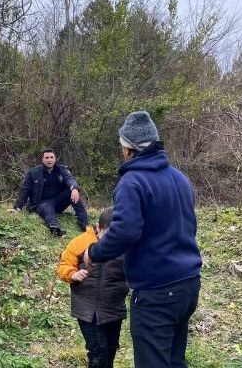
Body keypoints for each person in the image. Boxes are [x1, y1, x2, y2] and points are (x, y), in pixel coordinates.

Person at [84, 111, 203, 368]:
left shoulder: (132, 182)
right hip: (188, 285)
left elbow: (124, 231)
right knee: (173, 360)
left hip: (157, 291)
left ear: (128, 148)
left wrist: (93, 253)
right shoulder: (180, 178)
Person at [57, 207, 129, 368]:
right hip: (87, 310)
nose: (110, 241)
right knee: (98, 351)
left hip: (113, 309)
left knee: (110, 350)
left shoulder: (125, 245)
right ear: (99, 227)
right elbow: (63, 266)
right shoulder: (80, 242)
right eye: (108, 235)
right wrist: (72, 274)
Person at [7, 149, 89, 236]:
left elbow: (70, 179)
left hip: (58, 202)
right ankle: (55, 228)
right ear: (42, 159)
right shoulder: (33, 173)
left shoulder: (61, 169)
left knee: (73, 191)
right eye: (47, 158)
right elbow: (25, 190)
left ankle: (84, 224)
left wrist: (74, 188)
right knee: (47, 208)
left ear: (55, 158)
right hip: (40, 203)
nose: (49, 160)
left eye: (51, 157)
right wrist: (17, 208)